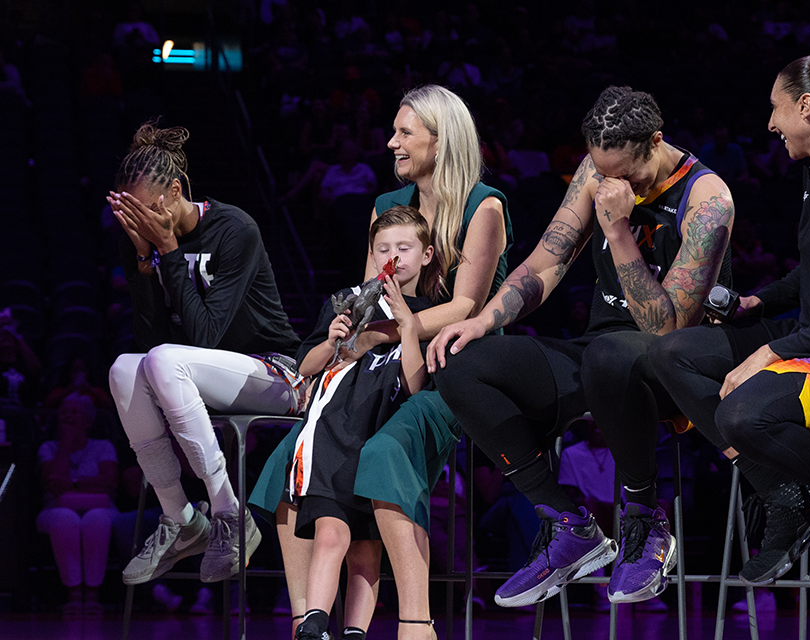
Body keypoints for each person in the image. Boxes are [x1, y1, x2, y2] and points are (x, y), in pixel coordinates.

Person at [429, 85, 734, 607]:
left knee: (613, 354)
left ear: (655, 143)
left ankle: (644, 522)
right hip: (598, 356)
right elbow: (549, 258)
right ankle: (568, 526)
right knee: (461, 364)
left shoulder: (708, 200)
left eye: (626, 175)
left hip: (669, 371)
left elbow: (666, 330)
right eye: (601, 171)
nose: (612, 184)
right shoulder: (597, 173)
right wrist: (482, 321)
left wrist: (616, 230)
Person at [249, 84, 513, 640]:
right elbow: (368, 297)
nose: (390, 141)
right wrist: (347, 337)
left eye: (404, 132)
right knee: (290, 457)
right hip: (382, 361)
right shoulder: (386, 211)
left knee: (385, 450)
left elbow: (466, 305)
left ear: (441, 142)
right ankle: (308, 622)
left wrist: (395, 331)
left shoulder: (483, 206)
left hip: (453, 369)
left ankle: (416, 622)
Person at [651, 46, 810, 589]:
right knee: (670, 355)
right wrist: (758, 305)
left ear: (807, 107)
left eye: (776, 109)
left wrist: (767, 352)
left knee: (740, 417)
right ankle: (784, 495)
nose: (770, 124)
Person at [106, 122, 304, 587]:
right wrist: (142, 259)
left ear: (175, 191)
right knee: (123, 368)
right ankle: (180, 519)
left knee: (162, 361)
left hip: (274, 372)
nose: (146, 222)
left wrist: (170, 250)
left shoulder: (235, 229)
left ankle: (230, 515)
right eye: (133, 215)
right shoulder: (147, 244)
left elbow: (204, 338)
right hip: (195, 375)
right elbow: (152, 337)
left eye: (151, 209)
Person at [290, 206, 438, 640]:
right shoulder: (345, 301)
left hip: (377, 442)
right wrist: (333, 341)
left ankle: (354, 631)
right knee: (331, 533)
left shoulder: (431, 312)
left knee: (366, 551)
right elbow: (305, 367)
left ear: (426, 255)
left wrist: (408, 328)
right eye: (383, 248)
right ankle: (313, 626)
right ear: (372, 255)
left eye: (404, 248)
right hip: (331, 435)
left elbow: (414, 386)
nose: (393, 256)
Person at [36, 393, 120, 617]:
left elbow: (109, 482)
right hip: (54, 508)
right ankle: (73, 593)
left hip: (102, 507)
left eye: (74, 412)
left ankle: (92, 593)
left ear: (89, 421)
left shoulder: (103, 446)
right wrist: (65, 445)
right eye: (64, 411)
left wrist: (72, 483)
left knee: (96, 519)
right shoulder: (48, 447)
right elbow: (53, 484)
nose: (67, 416)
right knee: (65, 518)